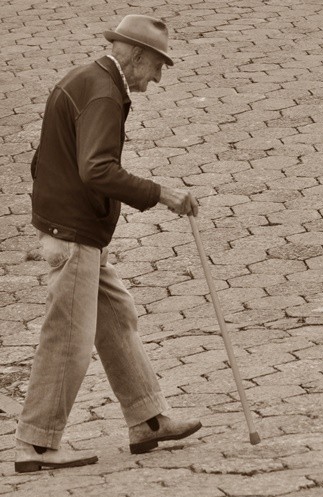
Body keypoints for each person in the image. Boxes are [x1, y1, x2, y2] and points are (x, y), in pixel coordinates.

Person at [15, 15, 202, 473]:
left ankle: (148, 420)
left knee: (116, 317)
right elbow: (96, 169)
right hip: (74, 234)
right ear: (136, 55)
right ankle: (37, 445)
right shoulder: (102, 92)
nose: (157, 79)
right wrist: (162, 193)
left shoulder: (86, 78)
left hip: (72, 229)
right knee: (68, 339)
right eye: (157, 66)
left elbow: (44, 157)